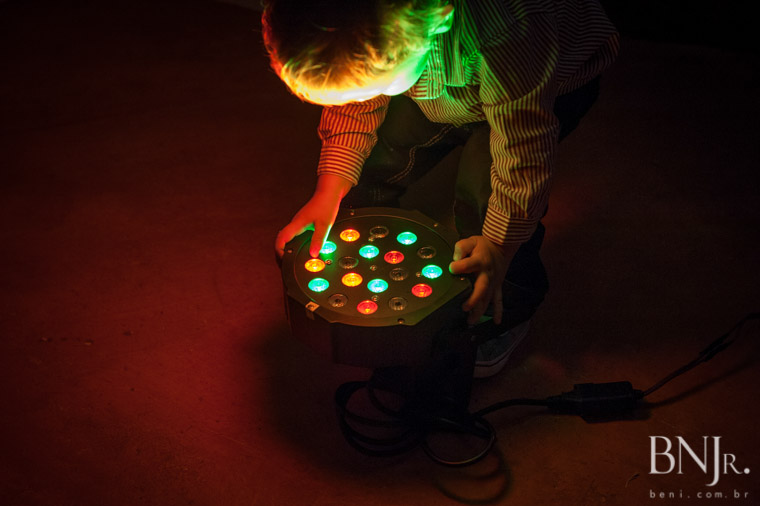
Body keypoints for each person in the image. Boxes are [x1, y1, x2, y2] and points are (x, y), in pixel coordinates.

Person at [263, 0, 619, 377]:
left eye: (373, 88)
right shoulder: (378, 32)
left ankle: (507, 308)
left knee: (486, 198)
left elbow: (523, 154)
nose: (361, 99)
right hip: (436, 84)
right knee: (370, 158)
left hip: (538, 89)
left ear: (436, 25)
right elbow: (355, 102)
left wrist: (499, 247)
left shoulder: (509, 28)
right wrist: (329, 191)